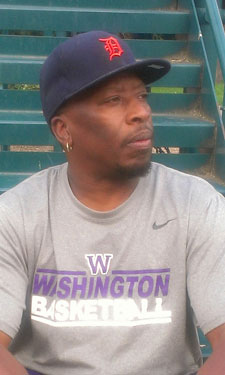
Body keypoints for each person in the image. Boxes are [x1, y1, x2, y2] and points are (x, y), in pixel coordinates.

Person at [0, 30, 225, 375]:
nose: (141, 113)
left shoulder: (196, 205)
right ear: (63, 130)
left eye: (142, 96)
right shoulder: (18, 214)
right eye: (113, 100)